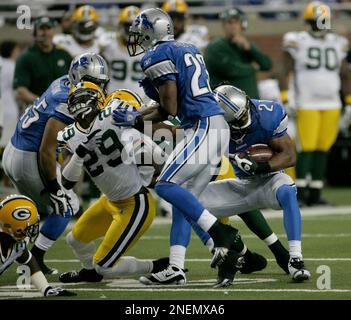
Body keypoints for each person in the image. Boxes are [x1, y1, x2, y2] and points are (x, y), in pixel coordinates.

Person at [113, 7, 255, 283]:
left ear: (151, 30)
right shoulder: (187, 47)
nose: (137, 36)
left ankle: (222, 236)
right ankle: (177, 268)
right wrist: (143, 112)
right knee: (182, 201)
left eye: (141, 30)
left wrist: (135, 117)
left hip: (202, 126)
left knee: (166, 185)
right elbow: (173, 100)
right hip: (209, 125)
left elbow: (168, 108)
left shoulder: (156, 55)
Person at [2, 52, 110, 274]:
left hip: (16, 149)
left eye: (101, 82)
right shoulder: (66, 100)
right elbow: (46, 150)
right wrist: (54, 187)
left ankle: (14, 254)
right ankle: (36, 260)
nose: (98, 87)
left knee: (28, 211)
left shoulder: (62, 82)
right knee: (66, 205)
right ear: (79, 79)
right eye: (94, 82)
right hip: (30, 156)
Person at [198, 84, 311, 283]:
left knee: (287, 191)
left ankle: (295, 259)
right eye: (238, 118)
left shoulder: (268, 114)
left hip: (269, 179)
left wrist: (261, 167)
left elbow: (290, 156)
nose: (244, 118)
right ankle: (217, 251)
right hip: (242, 184)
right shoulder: (212, 126)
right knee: (186, 201)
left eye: (245, 113)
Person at [57, 84, 169, 282]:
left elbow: (149, 144)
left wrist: (152, 175)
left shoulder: (113, 115)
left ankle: (157, 266)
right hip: (109, 201)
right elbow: (66, 181)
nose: (80, 103)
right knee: (74, 240)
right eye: (77, 98)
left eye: (84, 97)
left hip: (135, 203)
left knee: (104, 267)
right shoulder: (69, 135)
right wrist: (81, 152)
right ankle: (89, 272)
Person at [281, 1, 351, 206]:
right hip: (307, 102)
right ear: (307, 22)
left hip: (331, 103)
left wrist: (348, 102)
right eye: (316, 22)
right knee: (307, 148)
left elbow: (345, 74)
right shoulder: (297, 39)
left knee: (323, 148)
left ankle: (315, 193)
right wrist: (286, 97)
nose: (320, 26)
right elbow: (284, 69)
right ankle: (301, 192)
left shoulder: (338, 41)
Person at [0, 194, 75, 297]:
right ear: (17, 228)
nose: (34, 228)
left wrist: (46, 289)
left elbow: (29, 261)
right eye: (31, 225)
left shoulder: (14, 243)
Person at [204, 7, 272, 98]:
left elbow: (267, 65)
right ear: (224, 25)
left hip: (250, 101)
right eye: (229, 22)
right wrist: (253, 68)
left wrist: (250, 48)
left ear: (242, 25)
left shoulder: (246, 44)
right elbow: (231, 70)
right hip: (227, 103)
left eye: (236, 22)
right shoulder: (215, 47)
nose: (233, 26)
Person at [13, 16, 72, 106]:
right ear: (35, 33)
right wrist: (44, 103)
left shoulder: (64, 54)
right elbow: (21, 91)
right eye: (41, 29)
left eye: (48, 28)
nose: (45, 33)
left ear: (53, 31)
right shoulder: (26, 57)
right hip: (36, 110)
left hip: (63, 108)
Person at [101, 5, 144, 95]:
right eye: (128, 26)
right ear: (121, 26)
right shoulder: (109, 45)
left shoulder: (149, 47)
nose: (132, 30)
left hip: (141, 98)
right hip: (113, 97)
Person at [0, 41, 21, 149]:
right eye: (17, 50)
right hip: (8, 107)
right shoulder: (13, 67)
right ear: (12, 51)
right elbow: (17, 91)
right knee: (6, 142)